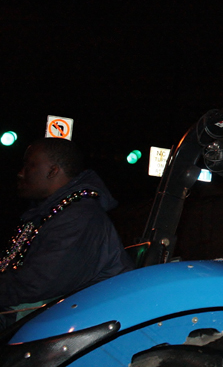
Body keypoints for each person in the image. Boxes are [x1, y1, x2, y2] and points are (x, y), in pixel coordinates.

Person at [0, 138, 133, 328]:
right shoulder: (56, 211)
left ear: (53, 171)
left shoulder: (79, 216)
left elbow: (38, 283)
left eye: (29, 165)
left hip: (73, 324)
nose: (21, 173)